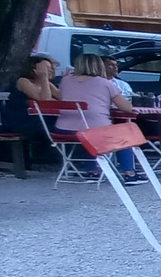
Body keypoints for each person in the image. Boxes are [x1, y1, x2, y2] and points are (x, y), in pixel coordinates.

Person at [55, 53, 146, 185]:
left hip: (63, 130)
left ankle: (92, 171)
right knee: (124, 134)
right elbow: (127, 108)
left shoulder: (65, 81)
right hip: (94, 130)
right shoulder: (105, 83)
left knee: (84, 131)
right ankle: (129, 174)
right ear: (99, 66)